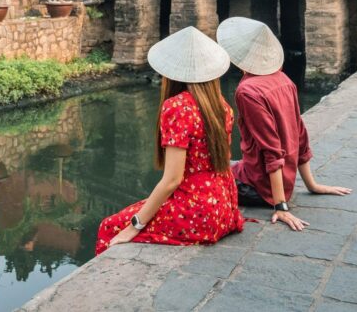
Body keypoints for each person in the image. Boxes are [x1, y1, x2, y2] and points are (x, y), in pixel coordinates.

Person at [96, 26, 245, 254]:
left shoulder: (177, 107)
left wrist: (134, 226)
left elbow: (172, 180)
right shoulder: (222, 106)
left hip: (197, 213)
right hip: (225, 207)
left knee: (110, 227)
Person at [217, 17, 351, 231]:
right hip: (276, 180)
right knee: (231, 167)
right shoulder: (284, 80)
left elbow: (271, 149)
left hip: (259, 187)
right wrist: (311, 185)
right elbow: (299, 135)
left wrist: (280, 206)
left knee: (203, 179)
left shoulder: (248, 91)